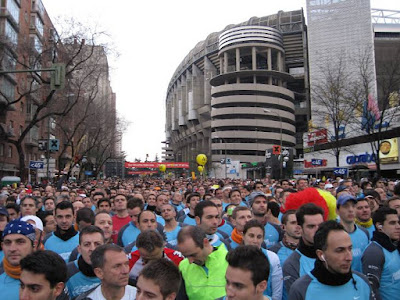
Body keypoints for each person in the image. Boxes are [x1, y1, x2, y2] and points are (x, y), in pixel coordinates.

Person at [289, 220, 374, 300]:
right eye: (340, 250)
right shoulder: (301, 289)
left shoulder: (363, 283)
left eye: (350, 249)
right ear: (321, 255)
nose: (349, 257)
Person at [283, 203, 324, 294]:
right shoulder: (292, 264)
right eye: (311, 226)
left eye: (320, 225)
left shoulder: (334, 255)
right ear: (300, 229)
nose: (317, 230)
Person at [177, 225, 228, 300]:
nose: (190, 261)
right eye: (186, 256)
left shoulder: (229, 260)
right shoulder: (183, 266)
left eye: (193, 255)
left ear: (205, 242)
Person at [362, 207, 400, 300]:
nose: (398, 226)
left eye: (398, 222)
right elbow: (372, 290)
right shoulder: (374, 252)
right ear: (379, 226)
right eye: (392, 223)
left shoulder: (394, 245)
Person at [242, 220, 283, 300]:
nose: (255, 241)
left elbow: (277, 293)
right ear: (243, 236)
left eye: (259, 237)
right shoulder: (234, 258)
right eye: (251, 236)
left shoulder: (272, 258)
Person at [0, 219, 36, 299]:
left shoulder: (49, 275)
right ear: (2, 246)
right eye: (8, 243)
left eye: (20, 242)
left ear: (34, 245)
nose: (12, 249)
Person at [66, 226, 105, 299]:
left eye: (97, 244)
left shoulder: (113, 270)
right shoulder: (67, 272)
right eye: (87, 244)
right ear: (79, 249)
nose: (92, 249)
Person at [335, 193, 370, 272]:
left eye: (353, 206)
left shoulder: (364, 233)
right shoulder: (333, 235)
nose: (350, 210)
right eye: (346, 206)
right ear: (337, 211)